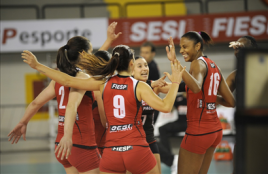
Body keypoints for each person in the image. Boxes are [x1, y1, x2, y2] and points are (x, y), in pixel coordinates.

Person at [21, 37, 185, 174]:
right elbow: (165, 106)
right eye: (138, 64)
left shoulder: (103, 83)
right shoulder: (140, 86)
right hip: (135, 147)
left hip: (111, 151)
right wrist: (176, 82)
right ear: (131, 65)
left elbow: (67, 80)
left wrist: (38, 66)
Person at [8, 22, 121, 174]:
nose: (92, 56)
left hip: (61, 145)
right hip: (79, 144)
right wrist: (68, 137)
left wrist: (23, 122)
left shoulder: (57, 78)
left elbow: (36, 103)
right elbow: (71, 106)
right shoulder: (81, 78)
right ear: (83, 54)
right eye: (90, 52)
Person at [166, 31, 235, 174]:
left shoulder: (197, 63)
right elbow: (231, 102)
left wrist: (175, 62)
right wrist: (208, 96)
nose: (181, 51)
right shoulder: (214, 65)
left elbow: (196, 87)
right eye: (180, 47)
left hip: (199, 131)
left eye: (185, 47)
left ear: (197, 46)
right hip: (215, 131)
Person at [222, 35, 258, 174]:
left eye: (241, 47)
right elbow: (219, 95)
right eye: (236, 49)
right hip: (243, 130)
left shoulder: (263, 66)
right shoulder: (235, 75)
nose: (237, 51)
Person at [158, 92, 187, 174]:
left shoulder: (194, 97)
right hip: (180, 123)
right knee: (162, 129)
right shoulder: (179, 98)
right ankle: (169, 155)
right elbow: (169, 107)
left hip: (191, 123)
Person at [92, 50, 111, 155]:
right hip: (100, 145)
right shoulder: (100, 87)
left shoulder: (84, 81)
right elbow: (105, 123)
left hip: (84, 143)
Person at [140, 41, 161, 123]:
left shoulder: (151, 68)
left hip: (150, 104)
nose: (143, 55)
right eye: (142, 52)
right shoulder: (148, 65)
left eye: (146, 52)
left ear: (153, 54)